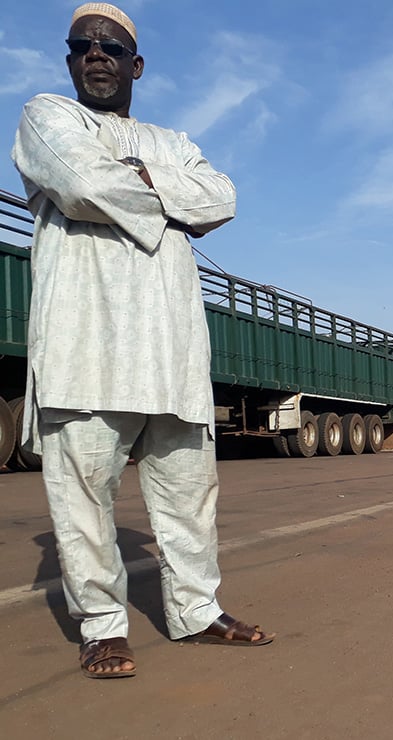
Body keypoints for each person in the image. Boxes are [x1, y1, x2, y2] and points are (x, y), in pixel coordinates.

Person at [11, 3, 274, 679]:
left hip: (173, 348)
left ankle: (197, 611)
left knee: (190, 495)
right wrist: (171, 203)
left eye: (110, 47)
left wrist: (148, 181)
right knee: (84, 497)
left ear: (137, 64)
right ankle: (102, 628)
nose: (95, 56)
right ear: (70, 60)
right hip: (85, 343)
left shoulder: (173, 139)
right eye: (82, 47)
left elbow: (221, 198)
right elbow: (77, 181)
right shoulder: (49, 116)